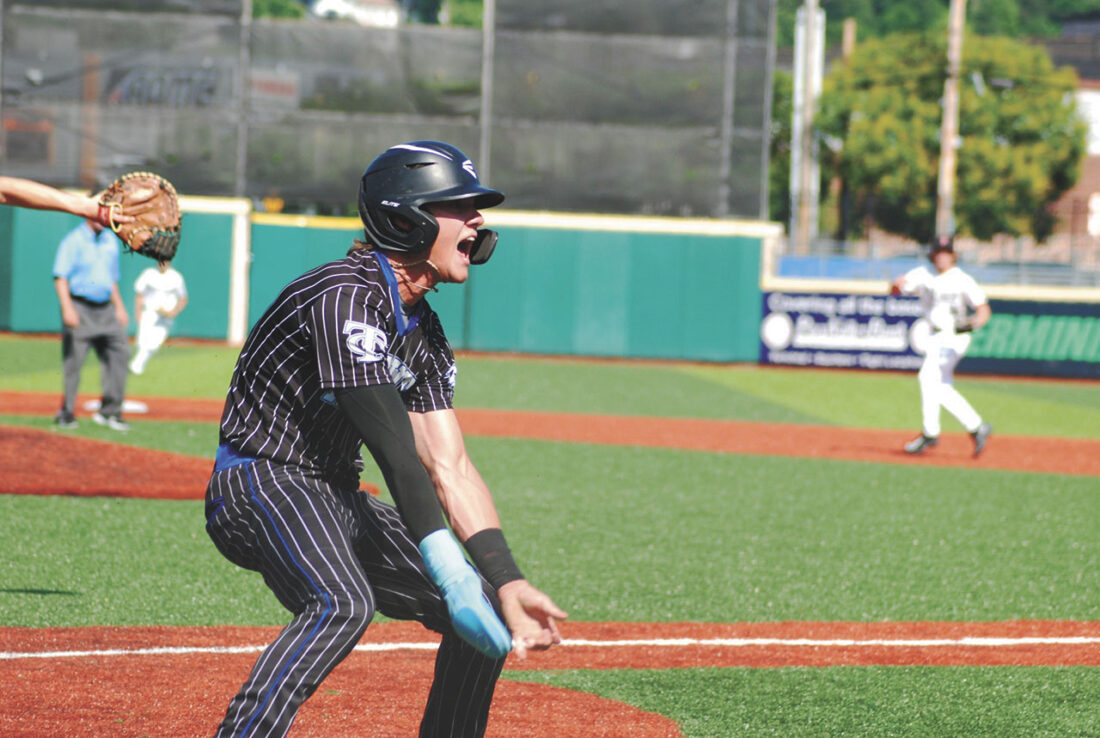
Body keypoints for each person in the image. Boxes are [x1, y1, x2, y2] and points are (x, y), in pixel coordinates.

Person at [204, 140, 567, 737]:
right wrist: (449, 572)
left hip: (333, 494)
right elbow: (396, 454)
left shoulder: (423, 329)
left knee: (480, 613)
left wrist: (507, 580)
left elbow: (449, 467)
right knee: (342, 603)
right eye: (461, 205)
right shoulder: (341, 297)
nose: (478, 219)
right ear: (406, 217)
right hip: (257, 481)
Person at [891, 235, 993, 457]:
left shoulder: (962, 279)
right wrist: (896, 284)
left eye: (946, 252)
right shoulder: (922, 274)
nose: (942, 257)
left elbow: (983, 310)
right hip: (934, 336)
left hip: (954, 337)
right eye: (939, 252)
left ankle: (931, 433)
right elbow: (897, 290)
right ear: (933, 254)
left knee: (927, 378)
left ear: (953, 255)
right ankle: (976, 427)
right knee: (940, 386)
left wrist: (974, 322)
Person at [52, 194, 131, 431]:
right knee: (73, 363)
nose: (102, 217)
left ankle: (111, 412)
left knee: (121, 353)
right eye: (98, 212)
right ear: (87, 212)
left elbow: (112, 278)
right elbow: (60, 276)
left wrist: (119, 307)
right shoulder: (73, 240)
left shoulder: (110, 240)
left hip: (106, 308)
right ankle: (66, 412)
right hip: (80, 307)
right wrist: (67, 308)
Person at [130, 260, 188, 375]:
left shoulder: (176, 277)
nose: (163, 264)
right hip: (149, 312)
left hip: (165, 316)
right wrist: (138, 312)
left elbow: (183, 298)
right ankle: (136, 367)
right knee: (142, 342)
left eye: (165, 261)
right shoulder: (149, 274)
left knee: (154, 344)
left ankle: (135, 367)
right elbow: (140, 294)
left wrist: (173, 312)